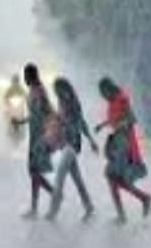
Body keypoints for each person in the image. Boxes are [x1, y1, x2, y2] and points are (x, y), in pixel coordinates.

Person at [96, 77, 151, 224]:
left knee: (113, 176)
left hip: (125, 144)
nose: (103, 96)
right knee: (112, 178)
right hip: (117, 142)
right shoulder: (112, 101)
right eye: (101, 94)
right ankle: (140, 201)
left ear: (109, 89)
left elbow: (131, 119)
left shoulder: (122, 99)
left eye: (103, 92)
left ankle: (141, 201)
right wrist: (102, 125)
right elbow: (115, 118)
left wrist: (120, 126)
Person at [44, 77, 99, 222]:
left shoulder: (74, 103)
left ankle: (53, 210)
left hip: (73, 143)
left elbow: (81, 122)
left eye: (58, 89)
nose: (56, 92)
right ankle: (89, 206)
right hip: (65, 142)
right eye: (55, 90)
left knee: (60, 175)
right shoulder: (61, 102)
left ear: (65, 88)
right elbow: (60, 122)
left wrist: (91, 140)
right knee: (77, 179)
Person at [18, 63, 55, 219]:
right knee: (35, 172)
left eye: (26, 76)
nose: (24, 79)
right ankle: (34, 207)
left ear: (31, 76)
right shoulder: (34, 91)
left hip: (41, 136)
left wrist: (22, 122)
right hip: (36, 135)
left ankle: (55, 193)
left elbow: (39, 114)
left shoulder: (38, 92)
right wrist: (22, 122)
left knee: (34, 171)